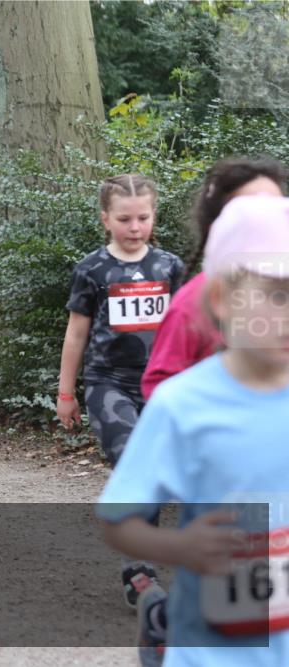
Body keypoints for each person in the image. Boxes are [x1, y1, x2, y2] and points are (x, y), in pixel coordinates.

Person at [98, 195, 289, 667]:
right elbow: (117, 518)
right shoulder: (183, 404)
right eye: (278, 294)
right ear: (223, 298)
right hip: (212, 653)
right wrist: (179, 547)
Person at [56, 174, 184, 607]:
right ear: (106, 219)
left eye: (143, 218)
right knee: (135, 459)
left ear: (154, 217)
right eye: (125, 219)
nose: (135, 227)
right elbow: (76, 334)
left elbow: (185, 329)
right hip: (108, 382)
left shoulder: (170, 266)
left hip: (162, 386)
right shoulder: (92, 269)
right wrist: (66, 393)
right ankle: (139, 568)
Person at [142, 157, 286, 399]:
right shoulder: (190, 305)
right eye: (249, 211)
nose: (268, 219)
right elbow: (159, 383)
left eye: (276, 206)